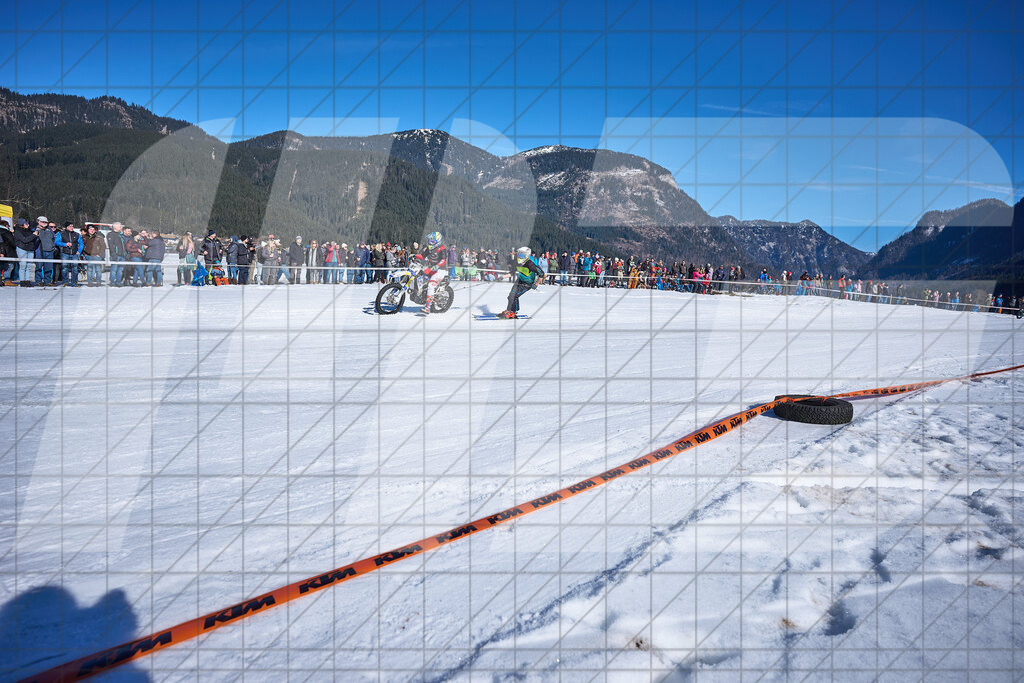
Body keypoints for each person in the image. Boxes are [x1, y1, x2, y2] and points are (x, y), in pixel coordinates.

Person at [500, 246, 543, 318]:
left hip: (528, 284)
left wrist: (536, 284)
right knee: (510, 296)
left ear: (526, 256)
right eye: (519, 255)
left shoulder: (530, 264)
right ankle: (508, 310)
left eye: (521, 255)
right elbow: (512, 273)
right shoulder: (516, 262)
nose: (519, 256)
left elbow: (541, 274)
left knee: (515, 296)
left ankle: (513, 312)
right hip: (519, 281)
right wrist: (501, 277)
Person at [416, 231, 449, 314]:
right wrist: (414, 255)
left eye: (432, 241)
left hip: (440, 270)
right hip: (431, 268)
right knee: (420, 278)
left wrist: (437, 266)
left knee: (431, 285)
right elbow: (423, 256)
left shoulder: (442, 249)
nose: (430, 242)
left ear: (437, 241)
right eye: (429, 240)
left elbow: (443, 260)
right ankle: (421, 295)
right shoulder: (430, 248)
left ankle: (427, 307)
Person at [55, 221, 83, 286]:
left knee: (75, 268)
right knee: (64, 268)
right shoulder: (61, 233)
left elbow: (81, 244)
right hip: (65, 253)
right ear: (66, 227)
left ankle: (74, 282)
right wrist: (65, 244)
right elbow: (56, 242)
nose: (72, 227)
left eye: (72, 226)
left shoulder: (77, 234)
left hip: (74, 254)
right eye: (70, 226)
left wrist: (79, 251)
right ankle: (65, 282)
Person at [35, 217, 56, 285]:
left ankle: (47, 281)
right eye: (42, 222)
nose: (44, 223)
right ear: (38, 221)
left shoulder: (49, 230)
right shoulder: (35, 229)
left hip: (50, 251)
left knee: (49, 268)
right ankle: (38, 281)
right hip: (40, 251)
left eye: (45, 222)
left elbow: (53, 238)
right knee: (39, 267)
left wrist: (53, 247)